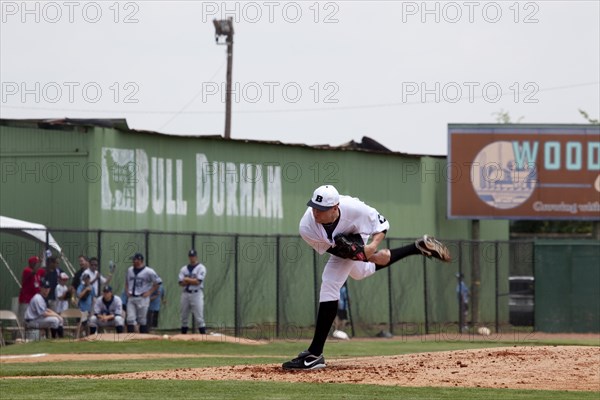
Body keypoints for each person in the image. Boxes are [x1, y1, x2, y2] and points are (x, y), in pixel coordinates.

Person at [282, 185, 451, 370]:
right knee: (360, 272)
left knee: (330, 282)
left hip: (357, 234)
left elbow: (382, 224)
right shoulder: (307, 227)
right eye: (314, 206)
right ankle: (417, 247)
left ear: (335, 207)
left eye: (321, 209)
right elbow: (337, 250)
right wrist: (371, 257)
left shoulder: (355, 209)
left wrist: (372, 247)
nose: (316, 212)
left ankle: (315, 354)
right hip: (342, 244)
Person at [125, 253, 162, 334]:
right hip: (131, 297)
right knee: (130, 319)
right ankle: (130, 338)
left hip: (142, 297)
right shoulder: (130, 270)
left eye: (135, 260)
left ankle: (143, 338)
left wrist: (149, 292)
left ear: (140, 260)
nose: (133, 261)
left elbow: (158, 282)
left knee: (142, 320)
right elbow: (127, 281)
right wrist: (127, 291)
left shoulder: (149, 271)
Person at [178, 249, 207, 334]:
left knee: (199, 318)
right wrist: (191, 280)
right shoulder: (183, 269)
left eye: (193, 256)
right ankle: (183, 337)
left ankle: (204, 337)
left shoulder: (201, 268)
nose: (192, 258)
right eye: (190, 256)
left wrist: (187, 279)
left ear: (196, 257)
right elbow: (180, 283)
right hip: (185, 294)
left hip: (196, 293)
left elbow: (198, 282)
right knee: (184, 317)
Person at [17, 256, 42, 324]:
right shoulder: (27, 270)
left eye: (37, 263)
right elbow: (33, 272)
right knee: (23, 318)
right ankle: (19, 334)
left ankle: (31, 334)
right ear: (31, 263)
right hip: (26, 299)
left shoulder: (38, 272)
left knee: (33, 319)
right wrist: (40, 262)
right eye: (35, 263)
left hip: (34, 300)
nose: (37, 265)